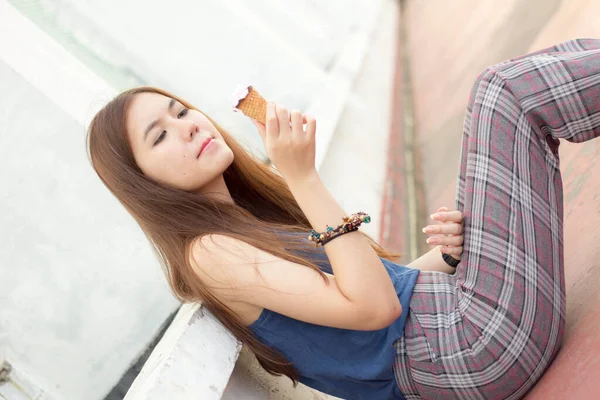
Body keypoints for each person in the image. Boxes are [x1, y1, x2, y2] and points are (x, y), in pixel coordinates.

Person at [86, 38, 600, 399]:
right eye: (159, 136)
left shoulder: (244, 221)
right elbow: (376, 311)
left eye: (180, 111)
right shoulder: (208, 253)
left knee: (540, 70)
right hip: (469, 351)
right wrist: (303, 177)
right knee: (503, 92)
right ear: (143, 182)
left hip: (465, 333)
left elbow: (378, 296)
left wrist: (446, 254)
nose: (186, 127)